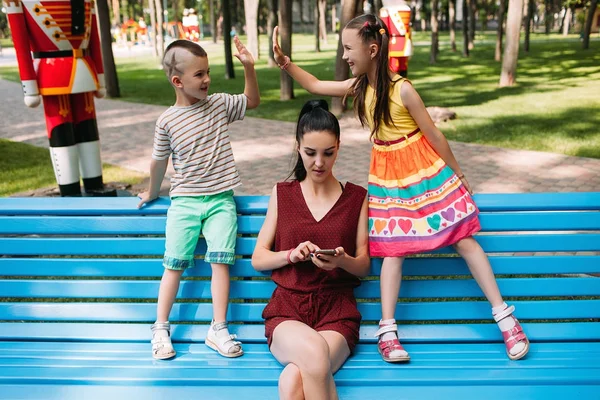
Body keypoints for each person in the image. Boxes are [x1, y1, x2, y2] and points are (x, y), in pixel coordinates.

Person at [271, 14, 529, 363]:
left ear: (372, 49)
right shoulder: (359, 87)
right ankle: (387, 330)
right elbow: (316, 85)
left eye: (349, 48)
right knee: (392, 250)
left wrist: (458, 173)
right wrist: (285, 63)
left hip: (423, 173)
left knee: (464, 239)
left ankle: (505, 318)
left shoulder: (403, 89)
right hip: (388, 178)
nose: (345, 55)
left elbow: (434, 134)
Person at [137, 38, 260, 360]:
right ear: (177, 81)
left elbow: (252, 100)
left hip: (221, 201)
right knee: (173, 264)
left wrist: (249, 66)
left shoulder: (218, 104)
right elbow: (158, 162)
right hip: (185, 204)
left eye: (208, 72)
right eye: (199, 74)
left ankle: (218, 328)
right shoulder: (167, 121)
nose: (207, 80)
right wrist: (152, 191)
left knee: (221, 262)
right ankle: (160, 328)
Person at [252, 100, 370, 399]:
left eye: (328, 153)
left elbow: (364, 265)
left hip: (336, 312)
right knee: (314, 356)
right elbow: (259, 259)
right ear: (298, 147)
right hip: (288, 310)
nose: (319, 162)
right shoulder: (283, 193)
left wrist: (342, 261)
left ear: (339, 147)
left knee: (294, 381)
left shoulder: (356, 197)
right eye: (310, 153)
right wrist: (290, 254)